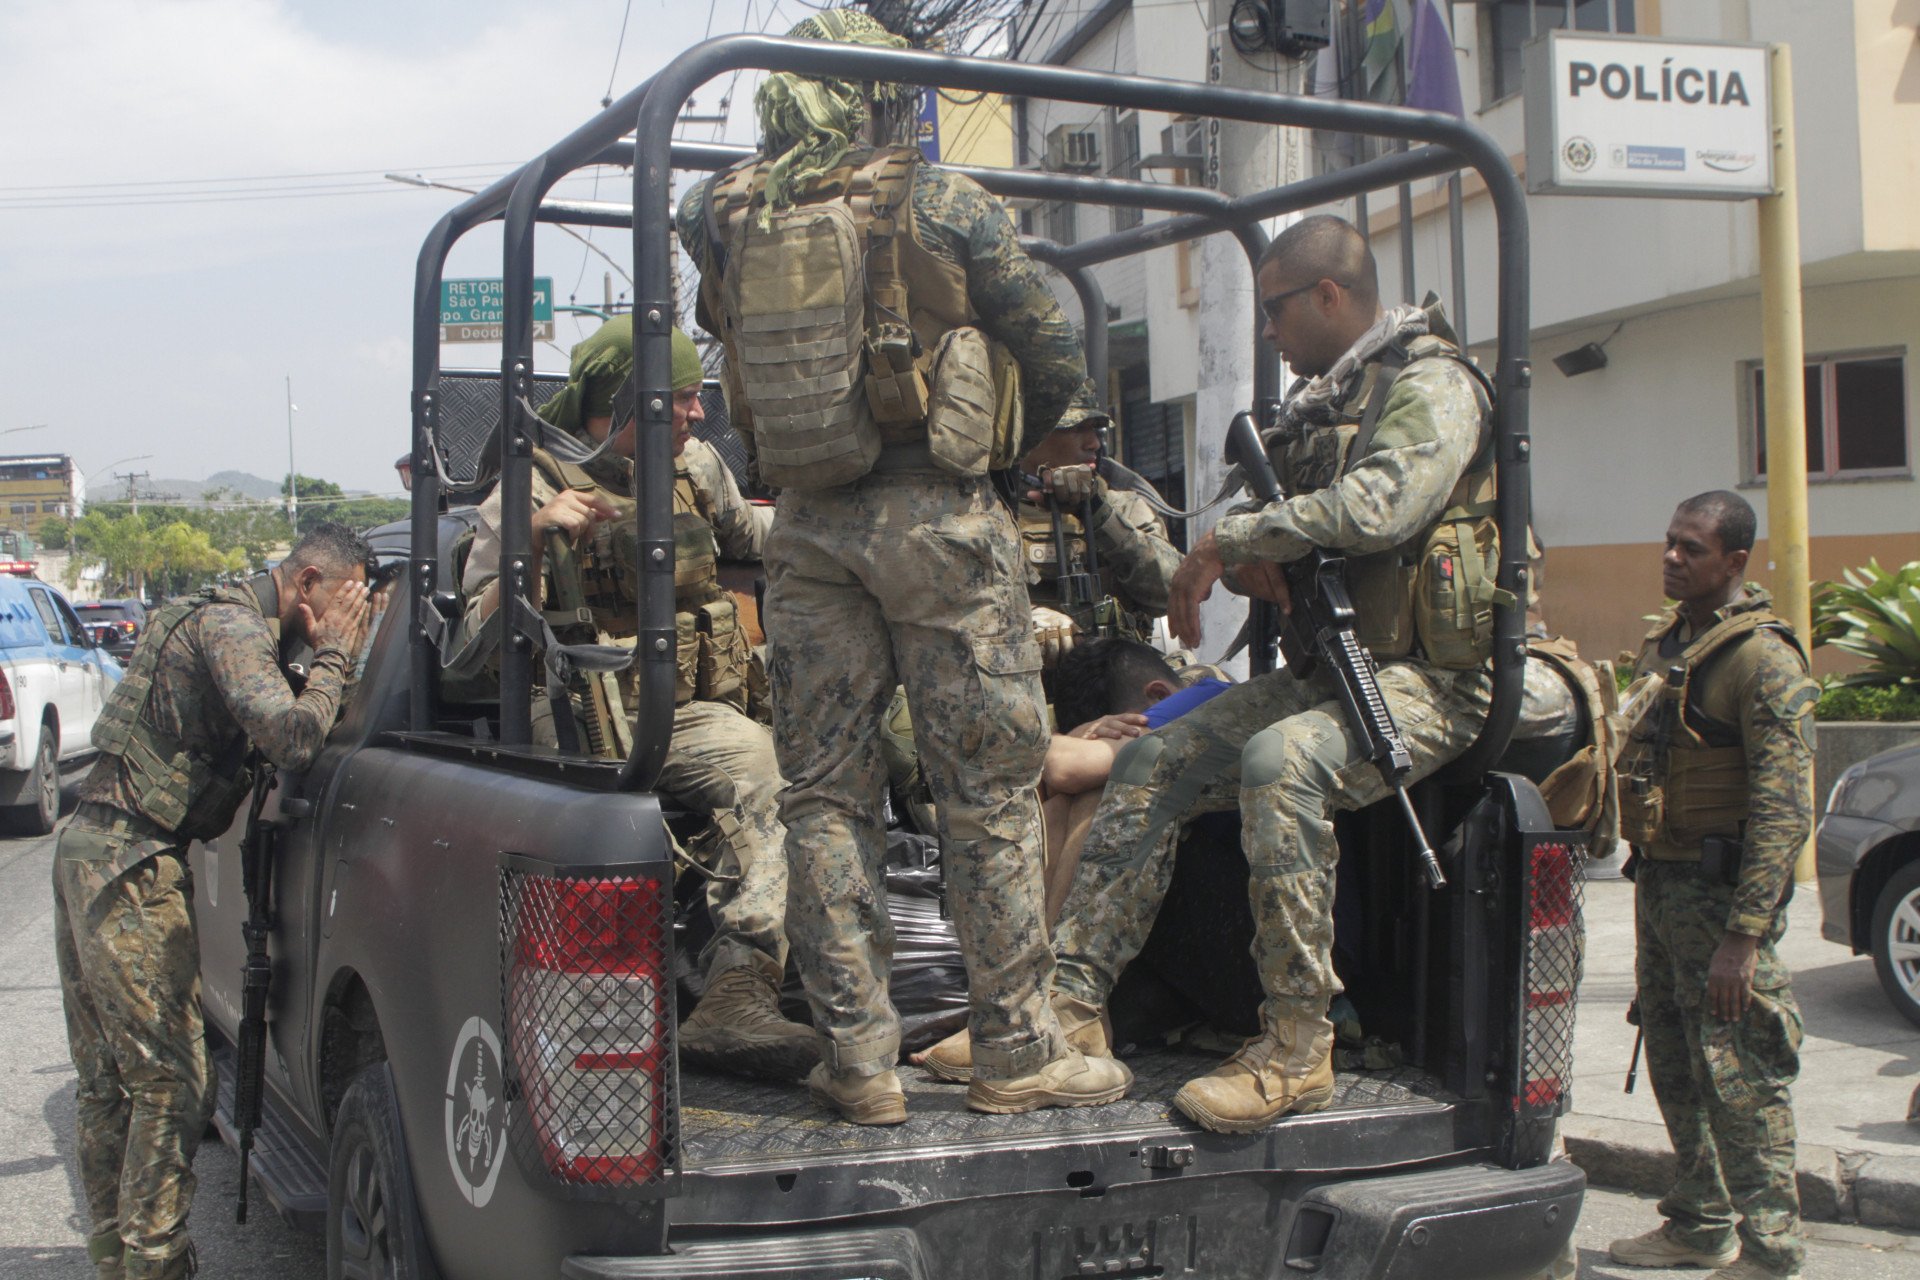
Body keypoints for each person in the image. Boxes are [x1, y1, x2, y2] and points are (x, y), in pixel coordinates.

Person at [678, 5, 1127, 1124]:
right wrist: (1004, 446)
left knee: (826, 795)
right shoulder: (941, 200)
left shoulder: (723, 210)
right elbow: (1055, 348)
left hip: (807, 529)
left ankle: (859, 1061)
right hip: (939, 524)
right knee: (988, 791)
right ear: (876, 92)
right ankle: (1016, 1050)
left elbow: (711, 293)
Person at [1035, 213, 1506, 1133]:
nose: (1267, 332)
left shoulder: (1434, 386)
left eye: (1277, 309)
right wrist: (1255, 556)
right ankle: (1069, 1010)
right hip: (1338, 670)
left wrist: (1233, 542)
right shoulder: (1329, 400)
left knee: (1280, 763)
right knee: (1151, 759)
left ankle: (1298, 1045)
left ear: (1329, 296)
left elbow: (1381, 505)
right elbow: (1277, 509)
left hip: (1431, 681)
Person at [451, 319, 815, 1081]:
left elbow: (757, 533)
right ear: (619, 403)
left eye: (693, 398)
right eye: (678, 399)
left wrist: (842, 523)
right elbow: (468, 643)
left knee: (768, 769)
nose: (696, 415)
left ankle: (738, 992)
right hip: (581, 715)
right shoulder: (531, 486)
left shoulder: (695, 467)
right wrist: (533, 543)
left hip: (681, 713)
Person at [54, 523, 375, 1280]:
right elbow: (294, 736)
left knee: (113, 1079)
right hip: (127, 860)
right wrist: (336, 653)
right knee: (170, 1081)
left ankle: (118, 1255)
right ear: (305, 586)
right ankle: (155, 1263)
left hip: (98, 850)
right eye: (344, 599)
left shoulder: (219, 617)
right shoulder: (231, 625)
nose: (347, 616)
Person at [1607, 490, 1814, 1280]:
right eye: (1667, 543)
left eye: (1690, 549)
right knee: (1675, 1061)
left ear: (1734, 562)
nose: (1671, 558)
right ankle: (1699, 1222)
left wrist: (1746, 935)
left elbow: (1785, 807)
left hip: (1723, 902)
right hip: (1661, 886)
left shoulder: (1763, 660)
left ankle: (1773, 1250)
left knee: (1742, 1076)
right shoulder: (1670, 645)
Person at [1021, 384, 1182, 666]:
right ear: (1030, 436)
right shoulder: (990, 512)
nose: (1093, 443)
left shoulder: (1123, 507)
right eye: (1075, 429)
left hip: (1117, 679)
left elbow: (1170, 592)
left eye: (1095, 429)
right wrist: (1027, 619)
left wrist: (1098, 514)